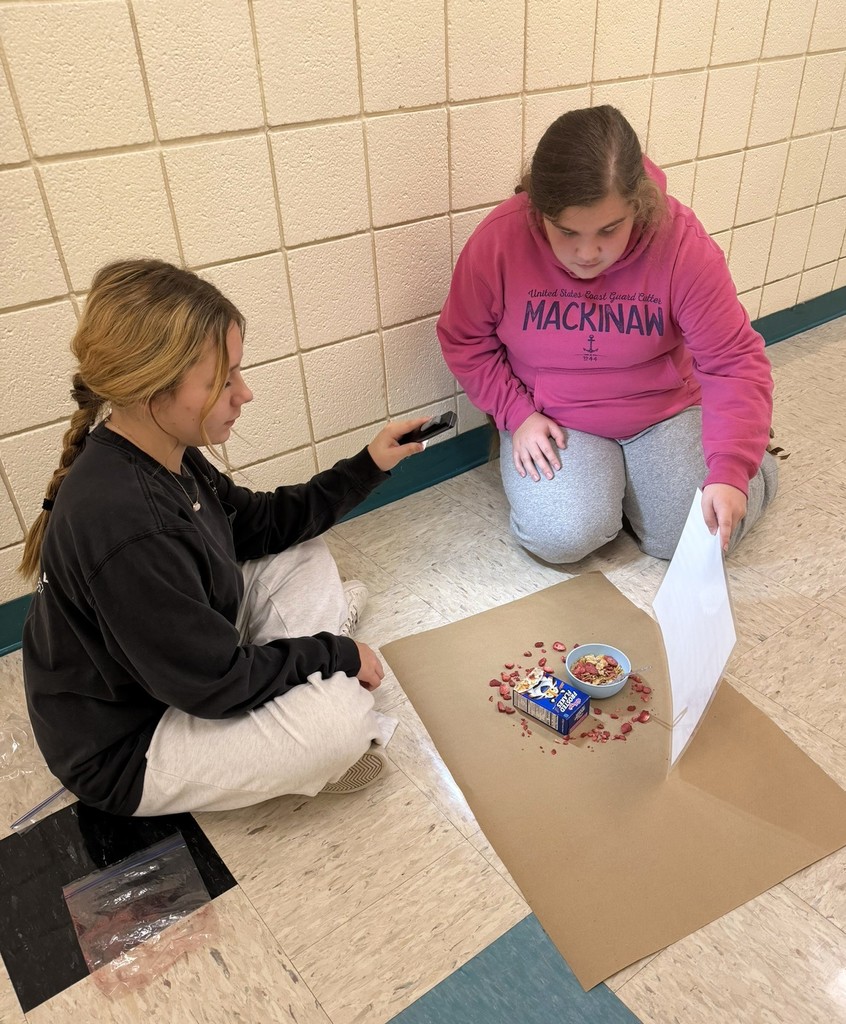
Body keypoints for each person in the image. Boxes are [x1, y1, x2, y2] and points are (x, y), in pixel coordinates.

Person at [19, 259, 430, 817]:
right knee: (338, 728)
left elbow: (260, 524)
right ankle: (324, 687)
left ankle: (315, 667)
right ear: (152, 389)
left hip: (181, 664)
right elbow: (214, 685)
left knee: (301, 549)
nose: (245, 393)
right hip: (133, 741)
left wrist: (368, 464)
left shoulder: (163, 449)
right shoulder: (127, 522)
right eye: (223, 378)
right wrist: (332, 653)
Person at [437, 105, 778, 564]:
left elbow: (732, 361)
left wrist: (732, 469)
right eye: (566, 231)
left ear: (637, 206)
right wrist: (516, 413)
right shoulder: (499, 240)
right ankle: (617, 490)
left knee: (689, 541)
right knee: (562, 536)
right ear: (539, 210)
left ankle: (759, 459)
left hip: (664, 411)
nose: (586, 253)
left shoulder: (681, 244)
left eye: (609, 230)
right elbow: (464, 339)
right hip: (555, 419)